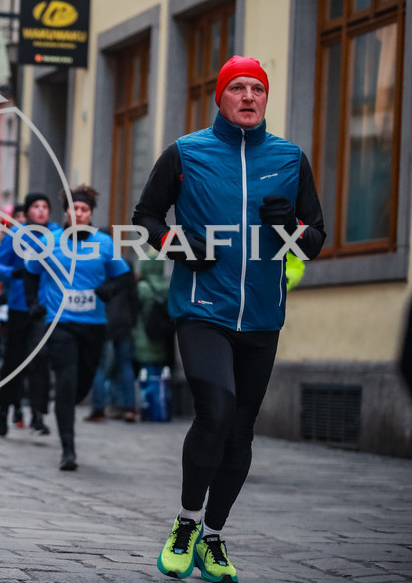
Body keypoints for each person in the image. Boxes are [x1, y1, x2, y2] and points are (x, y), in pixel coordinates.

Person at [134, 56, 325, 581]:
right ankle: (186, 522)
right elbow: (145, 219)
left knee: (240, 433)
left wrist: (292, 227)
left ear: (266, 99)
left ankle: (212, 536)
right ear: (219, 98)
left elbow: (314, 241)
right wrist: (182, 247)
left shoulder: (291, 159)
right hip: (202, 310)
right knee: (215, 411)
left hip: (262, 317)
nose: (247, 97)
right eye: (236, 88)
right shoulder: (186, 154)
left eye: (256, 89)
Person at [23, 185, 132, 471]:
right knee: (67, 384)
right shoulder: (50, 241)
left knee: (81, 385)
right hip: (59, 323)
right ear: (67, 212)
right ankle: (68, 449)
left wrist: (109, 288)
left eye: (85, 209)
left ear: (90, 213)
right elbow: (31, 274)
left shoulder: (104, 243)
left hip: (94, 325)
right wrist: (33, 303)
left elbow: (124, 276)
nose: (79, 213)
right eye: (75, 209)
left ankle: (69, 412)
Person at [0, 193, 62, 436]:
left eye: (45, 206)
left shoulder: (58, 234)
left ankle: (38, 414)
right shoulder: (17, 234)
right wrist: (14, 273)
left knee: (41, 361)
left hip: (46, 308)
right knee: (13, 362)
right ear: (28, 211)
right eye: (36, 206)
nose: (41, 210)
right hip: (19, 307)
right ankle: (3, 410)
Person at [85, 256, 139, 423]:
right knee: (125, 364)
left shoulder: (96, 264)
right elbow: (133, 296)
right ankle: (129, 408)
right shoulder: (125, 264)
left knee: (99, 366)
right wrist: (132, 320)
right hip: (124, 321)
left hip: (103, 320)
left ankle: (99, 410)